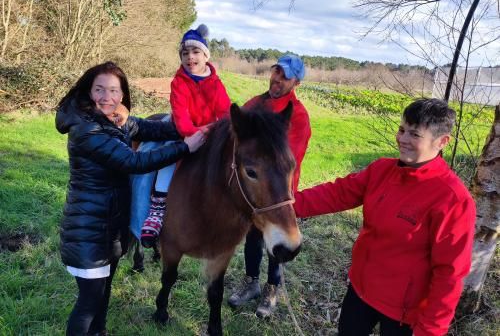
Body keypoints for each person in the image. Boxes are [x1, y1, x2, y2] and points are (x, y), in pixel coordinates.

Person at [293, 98, 476, 336]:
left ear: (442, 141)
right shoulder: (381, 170)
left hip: (404, 315)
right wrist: (286, 206)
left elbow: (450, 274)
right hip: (360, 291)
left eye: (414, 134)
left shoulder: (453, 199)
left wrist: (430, 331)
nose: (402, 139)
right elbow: (337, 193)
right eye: (401, 130)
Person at [55, 61, 205, 336]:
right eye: (99, 90)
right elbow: (133, 162)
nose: (106, 97)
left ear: (122, 95)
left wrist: (193, 123)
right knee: (88, 303)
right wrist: (185, 147)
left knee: (103, 293)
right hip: (89, 231)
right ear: (89, 92)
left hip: (109, 226)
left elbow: (155, 130)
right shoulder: (87, 130)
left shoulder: (115, 122)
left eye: (113, 91)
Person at [228, 54, 311, 317]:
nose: (277, 79)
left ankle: (272, 287)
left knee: (277, 238)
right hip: (255, 189)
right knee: (253, 236)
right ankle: (251, 281)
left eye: (284, 76)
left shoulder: (297, 115)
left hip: (277, 192)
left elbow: (285, 160)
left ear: (295, 82)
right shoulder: (256, 103)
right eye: (276, 72)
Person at [139, 23, 231, 247]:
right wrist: (192, 137)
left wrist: (214, 133)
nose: (190, 57)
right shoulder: (178, 83)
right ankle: (157, 207)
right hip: (183, 132)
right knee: (167, 157)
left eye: (195, 52)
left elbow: (225, 112)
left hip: (210, 133)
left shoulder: (216, 84)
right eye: (185, 53)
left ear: (205, 55)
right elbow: (181, 116)